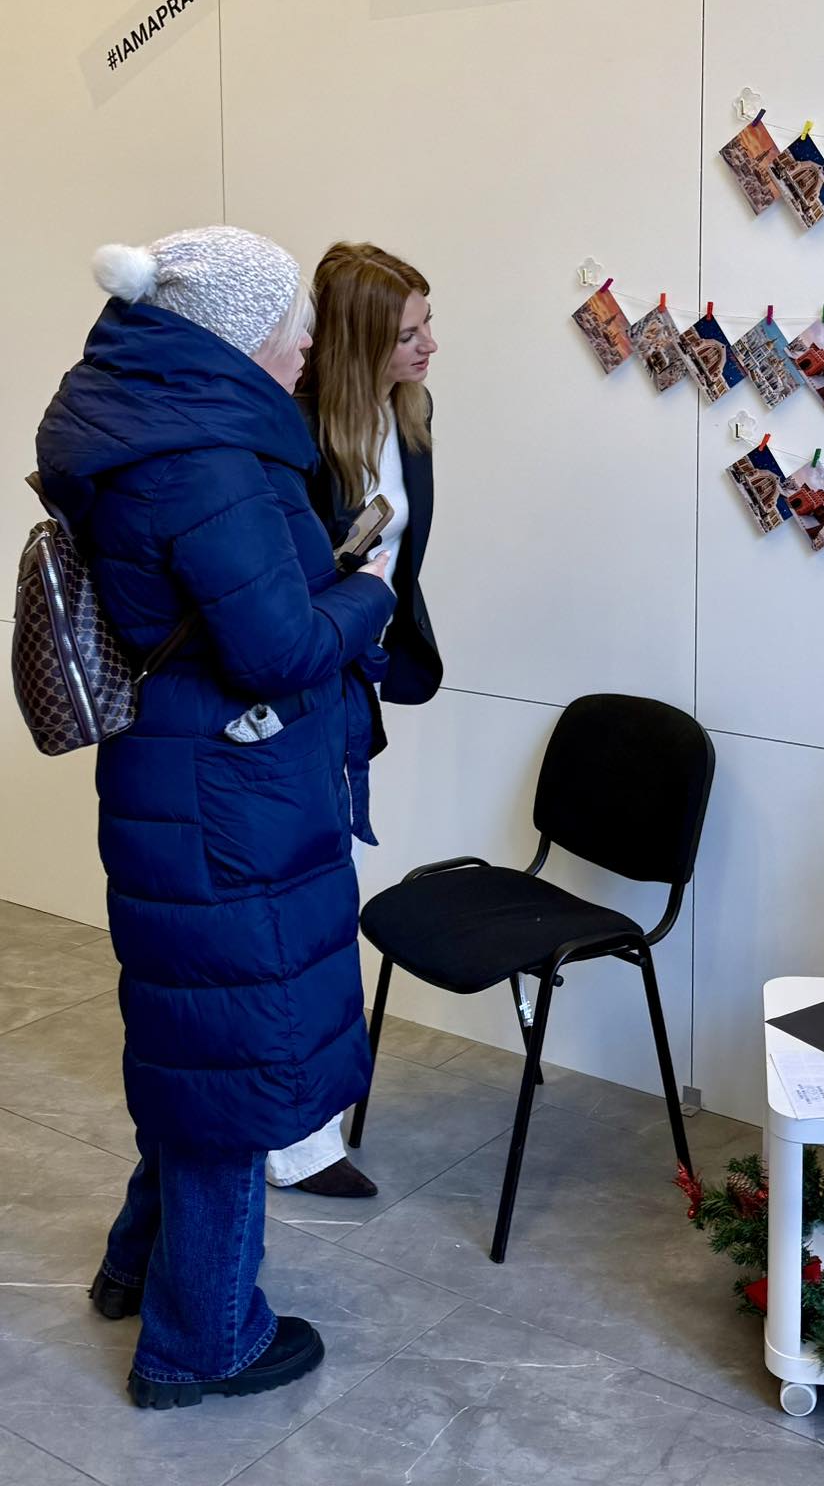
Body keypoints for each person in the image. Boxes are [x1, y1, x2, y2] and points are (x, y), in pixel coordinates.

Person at [34, 227, 395, 1407]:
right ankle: (203, 1340)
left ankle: (139, 1271)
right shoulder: (207, 458)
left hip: (187, 778)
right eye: (293, 323)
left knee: (202, 1048)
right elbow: (277, 648)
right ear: (236, 330)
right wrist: (369, 593)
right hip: (228, 796)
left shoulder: (151, 424)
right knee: (234, 1072)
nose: (306, 344)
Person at [264, 241, 440, 1199]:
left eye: (427, 324)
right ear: (359, 342)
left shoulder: (410, 415)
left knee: (329, 898)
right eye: (409, 333)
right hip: (292, 690)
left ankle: (310, 1128)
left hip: (350, 679)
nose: (429, 346)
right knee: (305, 912)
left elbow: (398, 559)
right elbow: (286, 592)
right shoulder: (291, 436)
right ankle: (294, 1142)